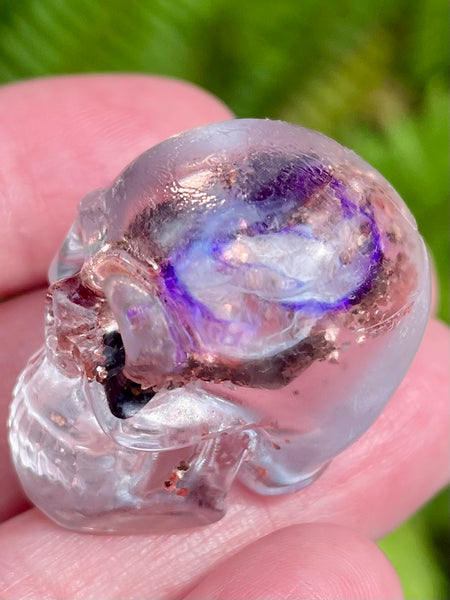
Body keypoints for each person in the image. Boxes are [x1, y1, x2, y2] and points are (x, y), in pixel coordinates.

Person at [0, 75, 448, 600]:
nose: (73, 305)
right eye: (94, 247)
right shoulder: (131, 248)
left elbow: (283, 451)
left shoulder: (283, 413)